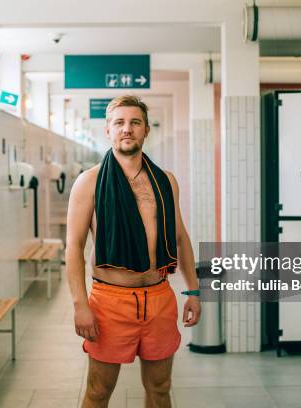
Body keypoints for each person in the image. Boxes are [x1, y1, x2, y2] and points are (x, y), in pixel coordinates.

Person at [66, 95, 201, 408]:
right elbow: (73, 248)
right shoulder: (90, 182)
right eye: (119, 123)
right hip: (110, 301)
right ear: (108, 131)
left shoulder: (166, 181)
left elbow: (180, 237)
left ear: (146, 130)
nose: (127, 129)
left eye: (135, 122)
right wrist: (80, 305)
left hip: (158, 299)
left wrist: (193, 289)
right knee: (98, 392)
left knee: (160, 389)